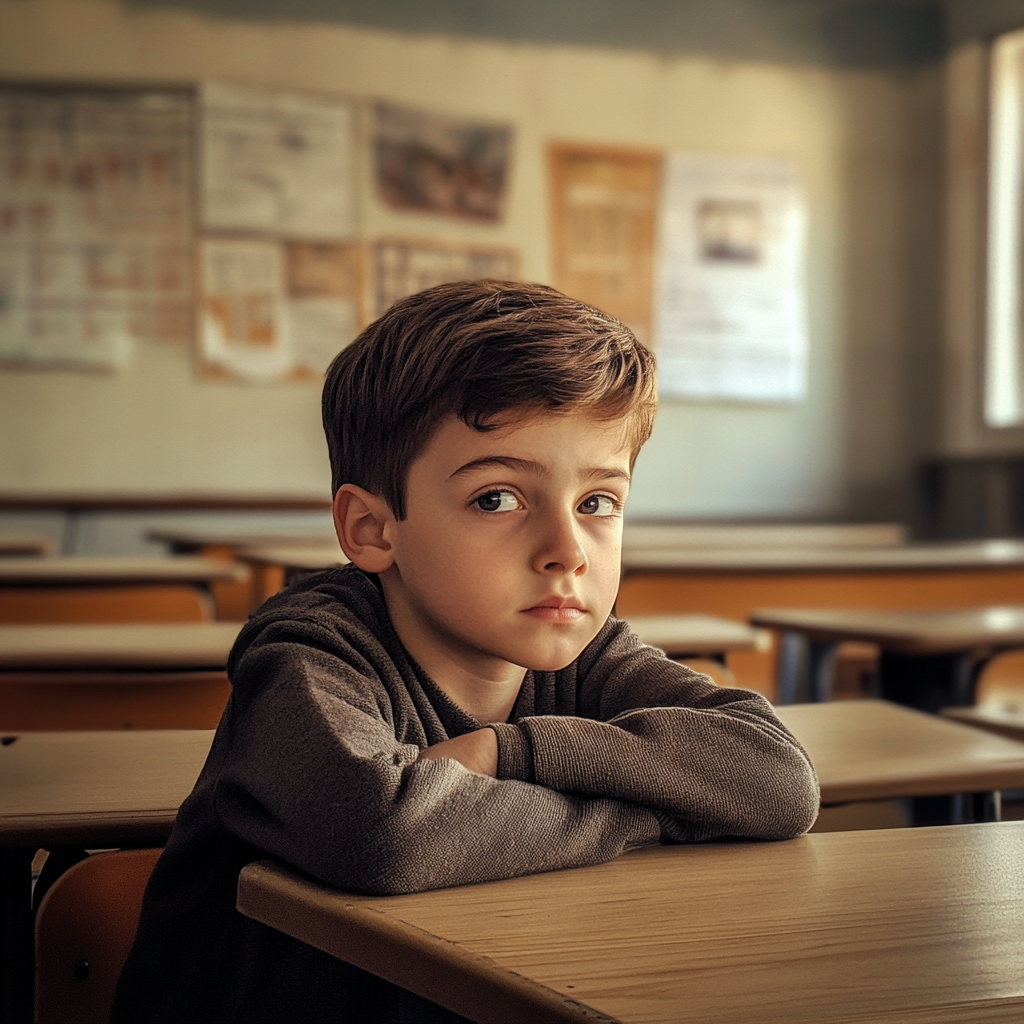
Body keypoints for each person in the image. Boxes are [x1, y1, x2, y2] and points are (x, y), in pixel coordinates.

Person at [113, 280, 818, 1023]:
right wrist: (663, 806)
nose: (566, 552)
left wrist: (507, 757)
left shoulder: (584, 650)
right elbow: (384, 836)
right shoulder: (311, 654)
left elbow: (778, 781)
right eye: (497, 499)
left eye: (597, 503)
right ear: (372, 529)